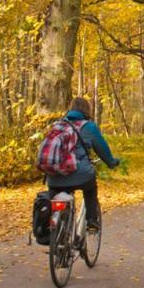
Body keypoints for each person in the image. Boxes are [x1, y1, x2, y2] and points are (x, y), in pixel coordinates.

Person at [45, 97, 120, 232]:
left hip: (53, 177)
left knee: (56, 198)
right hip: (80, 175)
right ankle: (92, 221)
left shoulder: (58, 125)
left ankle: (55, 230)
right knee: (90, 189)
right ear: (87, 110)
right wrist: (111, 162)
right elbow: (102, 149)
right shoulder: (89, 127)